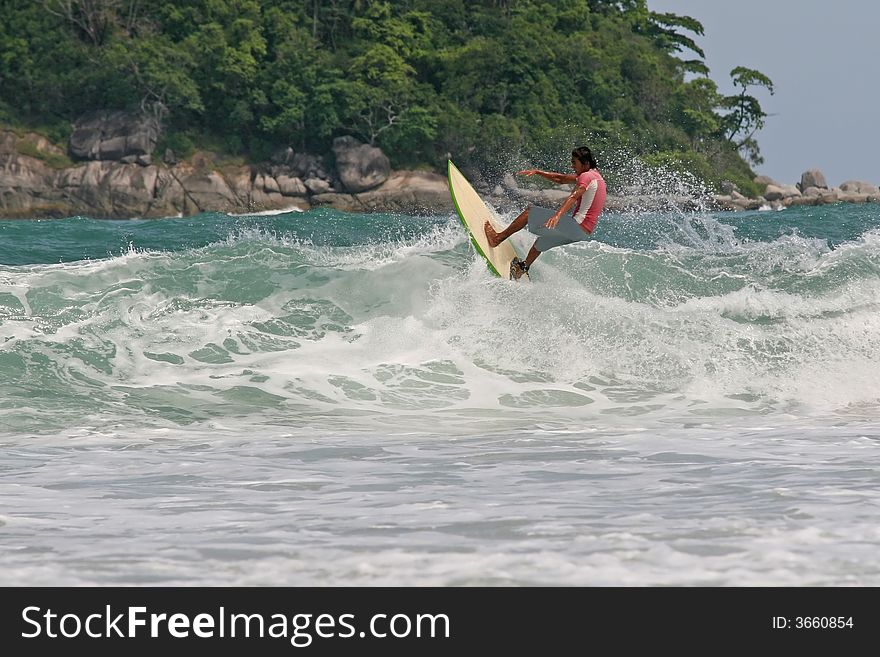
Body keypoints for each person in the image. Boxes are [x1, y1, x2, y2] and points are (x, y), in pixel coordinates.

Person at [485, 146, 606, 279]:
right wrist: (538, 172)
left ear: (586, 163)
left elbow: (574, 196)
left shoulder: (586, 176)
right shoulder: (596, 177)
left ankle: (497, 238)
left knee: (529, 212)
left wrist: (557, 215)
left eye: (574, 162)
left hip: (577, 226)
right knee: (542, 241)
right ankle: (522, 268)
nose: (572, 166)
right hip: (582, 233)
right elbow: (561, 179)